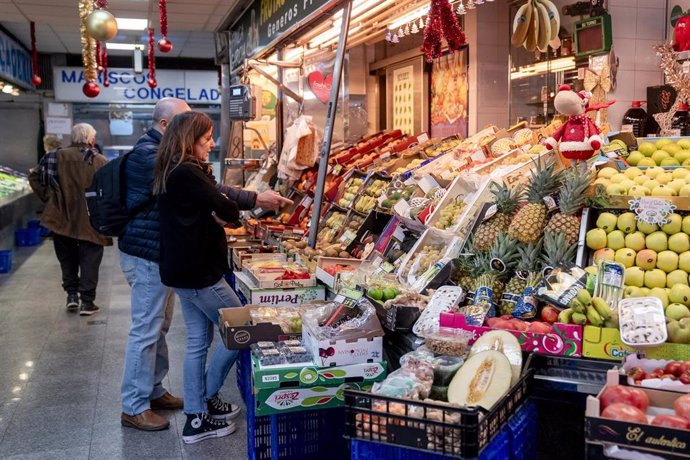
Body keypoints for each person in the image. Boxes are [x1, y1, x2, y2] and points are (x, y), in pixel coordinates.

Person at [119, 98, 290, 432]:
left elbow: (216, 200)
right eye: (206, 139)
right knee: (243, 331)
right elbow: (224, 208)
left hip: (183, 270)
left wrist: (219, 207)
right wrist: (224, 210)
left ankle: (197, 416)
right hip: (198, 273)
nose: (212, 144)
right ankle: (203, 399)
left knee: (199, 339)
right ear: (185, 138)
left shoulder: (171, 167)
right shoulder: (185, 171)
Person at [28, 123, 112, 316]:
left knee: (67, 258)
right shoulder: (99, 161)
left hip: (60, 219)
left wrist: (50, 199)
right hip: (90, 221)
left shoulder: (53, 157)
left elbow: (34, 178)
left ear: (73, 138)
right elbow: (109, 190)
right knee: (90, 259)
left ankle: (72, 296)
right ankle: (87, 303)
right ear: (90, 139)